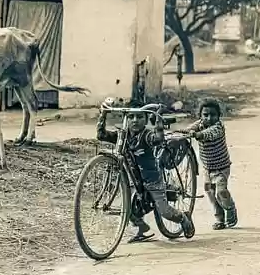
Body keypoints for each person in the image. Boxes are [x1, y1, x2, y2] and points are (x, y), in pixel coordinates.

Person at [96, 108, 195, 242]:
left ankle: (184, 218)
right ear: (125, 119)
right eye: (131, 117)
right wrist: (103, 114)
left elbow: (158, 139)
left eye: (140, 117)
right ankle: (142, 229)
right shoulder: (122, 136)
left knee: (165, 211)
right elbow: (101, 135)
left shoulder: (146, 135)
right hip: (135, 180)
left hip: (152, 180)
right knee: (128, 207)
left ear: (146, 119)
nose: (135, 120)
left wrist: (158, 123)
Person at [178, 98, 238, 230]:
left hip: (221, 167)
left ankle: (230, 209)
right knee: (210, 193)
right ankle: (219, 218)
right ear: (200, 115)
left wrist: (197, 134)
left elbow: (208, 134)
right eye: (205, 115)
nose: (209, 118)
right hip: (207, 169)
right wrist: (183, 132)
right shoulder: (200, 124)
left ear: (219, 116)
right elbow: (190, 129)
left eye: (213, 115)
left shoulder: (218, 127)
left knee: (221, 192)